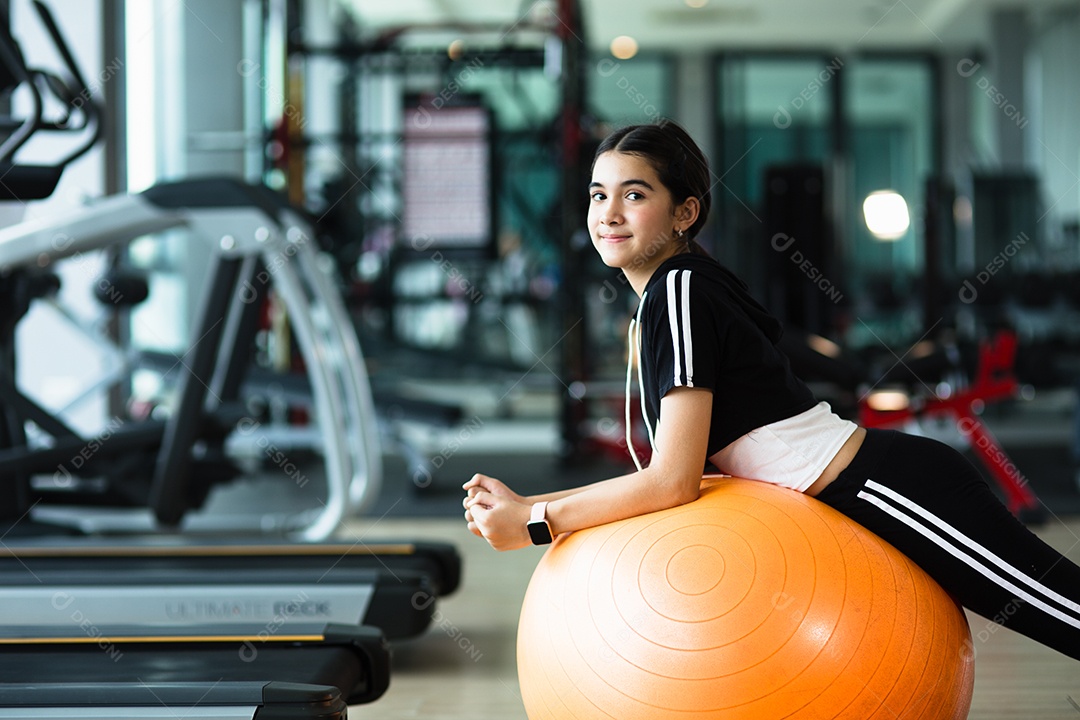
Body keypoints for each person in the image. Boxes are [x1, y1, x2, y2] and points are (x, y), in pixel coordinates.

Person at [462, 119, 1080, 661]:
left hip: (888, 490)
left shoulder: (679, 291)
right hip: (866, 491)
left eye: (635, 194)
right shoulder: (672, 294)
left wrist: (538, 522)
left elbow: (670, 482)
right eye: (599, 195)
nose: (609, 213)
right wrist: (528, 504)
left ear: (685, 212)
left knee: (1063, 613)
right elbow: (687, 478)